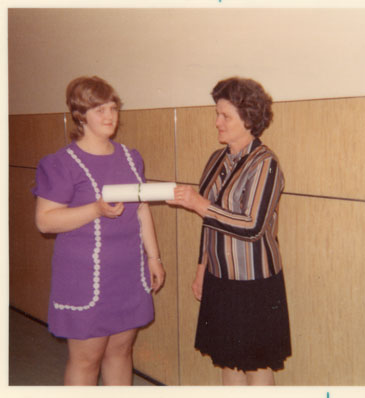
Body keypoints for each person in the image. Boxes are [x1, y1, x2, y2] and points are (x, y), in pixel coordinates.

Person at [33, 76, 165, 386]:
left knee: (120, 352)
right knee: (86, 359)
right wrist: (95, 209)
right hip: (84, 278)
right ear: (80, 115)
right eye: (98, 110)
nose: (109, 117)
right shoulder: (61, 164)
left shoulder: (131, 158)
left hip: (128, 275)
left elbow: (142, 208)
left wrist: (154, 257)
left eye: (113, 108)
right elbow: (45, 221)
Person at [168, 77, 291, 386]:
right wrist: (201, 269)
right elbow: (209, 221)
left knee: (256, 363)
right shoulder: (215, 160)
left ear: (248, 119)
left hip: (254, 281)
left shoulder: (266, 163)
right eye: (217, 113)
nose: (217, 122)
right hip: (220, 278)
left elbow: (252, 226)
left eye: (225, 116)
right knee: (228, 360)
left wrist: (199, 204)